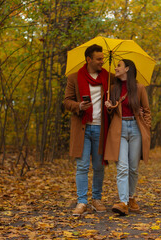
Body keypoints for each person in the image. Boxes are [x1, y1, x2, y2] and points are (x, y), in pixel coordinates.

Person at [63, 44, 110, 216]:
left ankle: (96, 199)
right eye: (98, 59)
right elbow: (66, 101)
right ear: (88, 59)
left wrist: (111, 106)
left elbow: (116, 99)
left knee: (99, 166)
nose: (102, 62)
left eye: (103, 59)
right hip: (82, 129)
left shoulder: (108, 78)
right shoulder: (74, 78)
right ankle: (82, 201)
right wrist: (79, 106)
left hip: (100, 128)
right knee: (82, 166)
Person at [104, 59, 151, 215]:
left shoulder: (139, 89)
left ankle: (131, 198)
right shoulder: (113, 89)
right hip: (119, 130)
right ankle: (123, 202)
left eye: (119, 65)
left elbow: (147, 110)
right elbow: (110, 114)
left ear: (127, 69)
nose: (116, 68)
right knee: (122, 168)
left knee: (133, 168)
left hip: (136, 130)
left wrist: (146, 127)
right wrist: (109, 108)